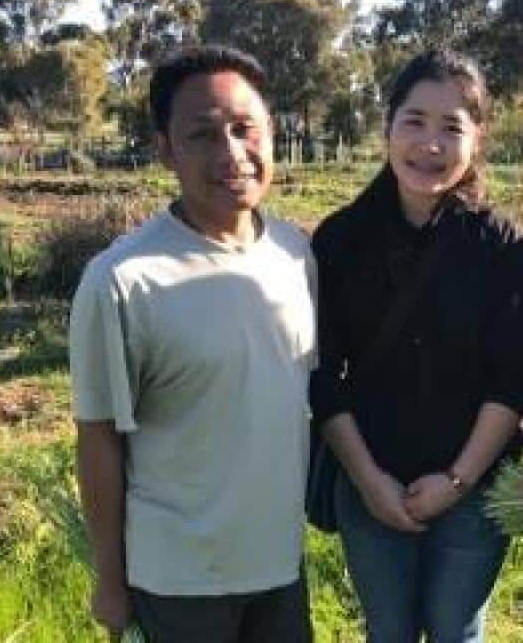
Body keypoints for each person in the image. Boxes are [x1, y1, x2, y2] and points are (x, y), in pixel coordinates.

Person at [69, 45, 316, 643]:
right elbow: (98, 438)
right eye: (203, 135)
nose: (231, 153)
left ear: (272, 134)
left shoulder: (295, 254)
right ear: (166, 150)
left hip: (280, 566)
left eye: (244, 128)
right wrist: (110, 581)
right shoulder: (122, 280)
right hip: (178, 581)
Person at [310, 49, 523, 643]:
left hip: (475, 487)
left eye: (452, 127)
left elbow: (514, 377)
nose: (430, 144)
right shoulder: (340, 240)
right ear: (388, 125)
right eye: (414, 121)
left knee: (455, 630)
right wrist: (368, 481)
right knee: (387, 631)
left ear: (477, 139)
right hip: (370, 481)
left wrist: (457, 481)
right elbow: (323, 374)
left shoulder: (502, 245)